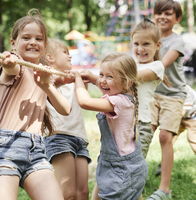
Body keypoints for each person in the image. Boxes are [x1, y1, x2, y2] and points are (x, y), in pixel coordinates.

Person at [0, 9, 71, 200]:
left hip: (37, 152)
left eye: (39, 39)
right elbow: (10, 66)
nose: (33, 42)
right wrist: (8, 61)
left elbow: (65, 109)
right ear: (14, 43)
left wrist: (47, 86)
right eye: (26, 37)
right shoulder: (16, 69)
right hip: (6, 148)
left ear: (45, 45)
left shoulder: (42, 75)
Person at [73, 53, 148, 200]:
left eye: (110, 77)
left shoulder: (119, 102)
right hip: (113, 164)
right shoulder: (128, 93)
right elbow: (109, 84)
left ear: (127, 83)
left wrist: (78, 81)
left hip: (122, 170)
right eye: (102, 74)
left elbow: (85, 102)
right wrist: (95, 78)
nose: (103, 81)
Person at [41, 38, 91, 200]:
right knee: (68, 193)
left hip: (80, 138)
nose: (70, 56)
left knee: (82, 192)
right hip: (59, 137)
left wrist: (81, 80)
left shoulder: (73, 79)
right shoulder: (46, 79)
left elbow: (84, 100)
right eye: (65, 53)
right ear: (50, 57)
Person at [147, 0, 187, 199]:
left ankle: (164, 189)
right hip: (153, 93)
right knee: (144, 132)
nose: (162, 17)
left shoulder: (176, 41)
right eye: (159, 13)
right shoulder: (150, 38)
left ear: (177, 19)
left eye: (168, 14)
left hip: (173, 95)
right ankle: (133, 176)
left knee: (165, 136)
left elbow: (161, 66)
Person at [131, 18, 171, 159]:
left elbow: (132, 77)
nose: (140, 48)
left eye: (146, 44)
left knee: (134, 168)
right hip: (122, 123)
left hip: (140, 125)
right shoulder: (130, 65)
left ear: (158, 45)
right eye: (136, 43)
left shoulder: (156, 66)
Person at [156, 85, 196, 184]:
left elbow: (182, 112)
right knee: (168, 138)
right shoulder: (168, 89)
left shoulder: (185, 91)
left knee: (193, 139)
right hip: (182, 116)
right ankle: (164, 164)